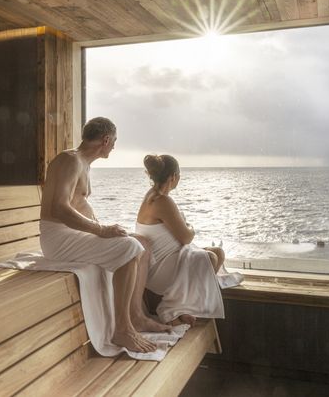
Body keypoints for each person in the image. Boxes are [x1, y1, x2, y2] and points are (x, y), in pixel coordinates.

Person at [39, 117, 169, 353]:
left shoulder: (81, 163)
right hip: (57, 238)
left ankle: (136, 316)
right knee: (129, 248)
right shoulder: (71, 160)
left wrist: (104, 228)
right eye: (114, 141)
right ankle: (123, 330)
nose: (114, 147)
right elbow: (59, 208)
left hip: (69, 234)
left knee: (140, 243)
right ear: (106, 140)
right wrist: (100, 230)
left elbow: (76, 205)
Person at [136, 154, 225, 327]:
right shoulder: (162, 200)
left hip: (169, 259)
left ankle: (184, 306)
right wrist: (190, 226)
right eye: (179, 175)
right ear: (173, 177)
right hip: (159, 268)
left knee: (218, 253)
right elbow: (186, 237)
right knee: (210, 258)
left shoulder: (153, 195)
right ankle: (171, 307)